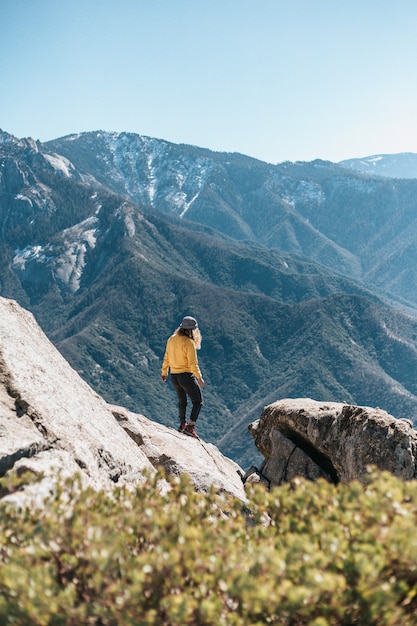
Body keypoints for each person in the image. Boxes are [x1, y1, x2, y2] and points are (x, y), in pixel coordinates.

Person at [161, 316, 205, 439]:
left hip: (174, 376)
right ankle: (190, 427)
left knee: (182, 401)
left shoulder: (172, 339)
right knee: (198, 401)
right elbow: (193, 363)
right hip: (186, 376)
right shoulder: (189, 342)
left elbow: (167, 357)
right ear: (192, 330)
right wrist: (199, 378)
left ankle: (182, 425)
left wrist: (164, 372)